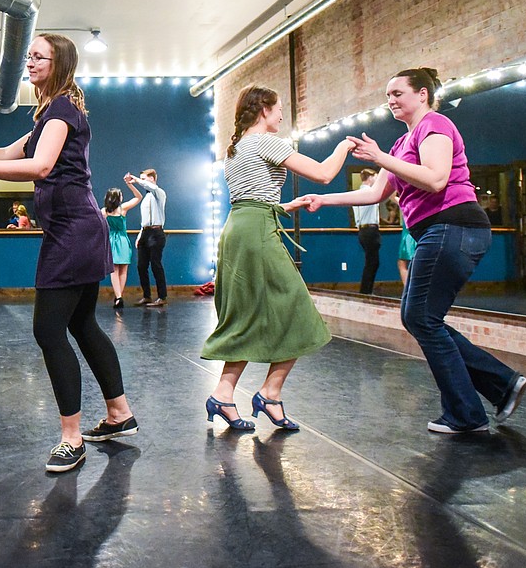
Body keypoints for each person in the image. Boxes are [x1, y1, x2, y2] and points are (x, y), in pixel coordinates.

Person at [0, 33, 137, 473]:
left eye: (39, 57)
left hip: (74, 232)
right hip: (73, 229)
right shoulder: (49, 112)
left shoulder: (61, 109)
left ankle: (71, 438)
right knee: (81, 324)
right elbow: (9, 153)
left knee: (48, 329)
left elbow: (39, 167)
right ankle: (119, 414)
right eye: (29, 56)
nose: (30, 62)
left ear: (59, 65)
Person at [303, 67, 526, 434]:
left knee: (420, 317)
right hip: (438, 231)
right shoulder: (401, 144)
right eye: (388, 95)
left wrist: (380, 158)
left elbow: (437, 178)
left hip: (453, 225)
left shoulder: (434, 125)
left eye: (397, 93)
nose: (390, 100)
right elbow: (375, 193)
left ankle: (470, 411)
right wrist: (322, 199)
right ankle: (500, 386)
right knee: (421, 317)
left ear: (422, 94)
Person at [200, 85, 355, 433]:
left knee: (246, 312)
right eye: (279, 108)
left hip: (240, 228)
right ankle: (269, 393)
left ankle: (225, 394)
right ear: (263, 110)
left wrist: (287, 206)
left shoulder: (237, 147)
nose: (283, 114)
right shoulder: (265, 142)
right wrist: (345, 146)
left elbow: (250, 200)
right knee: (299, 309)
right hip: (256, 233)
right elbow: (324, 173)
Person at [128, 168, 167, 306]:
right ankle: (147, 296)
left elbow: (150, 187)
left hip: (156, 233)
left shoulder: (159, 193)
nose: (142, 182)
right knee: (141, 266)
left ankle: (162, 297)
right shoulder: (145, 200)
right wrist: (140, 236)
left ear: (152, 179)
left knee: (156, 264)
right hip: (145, 233)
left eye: (145, 179)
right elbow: (144, 221)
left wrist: (138, 180)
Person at [103, 176, 142, 308]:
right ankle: (119, 296)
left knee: (114, 270)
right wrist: (130, 185)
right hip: (122, 239)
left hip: (111, 240)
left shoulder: (104, 211)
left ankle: (118, 296)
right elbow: (138, 197)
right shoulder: (123, 209)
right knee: (123, 270)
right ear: (117, 198)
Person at [353, 168, 381, 294]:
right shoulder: (370, 193)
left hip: (362, 231)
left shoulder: (356, 193)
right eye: (375, 177)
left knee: (371, 261)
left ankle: (366, 290)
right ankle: (366, 291)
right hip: (370, 231)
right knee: (372, 262)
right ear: (370, 178)